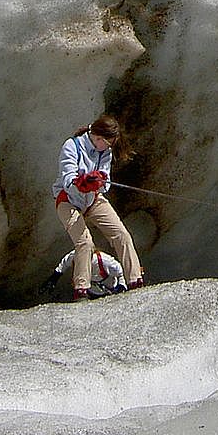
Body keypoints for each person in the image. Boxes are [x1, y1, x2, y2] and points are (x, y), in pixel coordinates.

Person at [52, 114, 145, 299]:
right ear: (98, 137)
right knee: (84, 242)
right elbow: (67, 178)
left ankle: (135, 280)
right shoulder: (72, 146)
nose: (109, 147)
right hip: (68, 200)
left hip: (93, 199)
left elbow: (106, 181)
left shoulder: (105, 152)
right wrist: (83, 181)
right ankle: (82, 289)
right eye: (108, 143)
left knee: (122, 235)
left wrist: (99, 182)